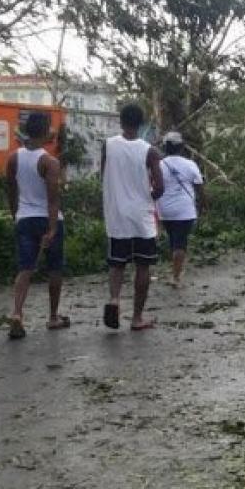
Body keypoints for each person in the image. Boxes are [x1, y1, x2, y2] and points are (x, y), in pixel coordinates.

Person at [4, 111, 68, 340]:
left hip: (24, 218)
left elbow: (11, 189)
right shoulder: (49, 162)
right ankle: (52, 316)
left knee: (25, 268)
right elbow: (53, 198)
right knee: (54, 269)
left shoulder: (13, 158)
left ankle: (17, 312)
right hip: (48, 218)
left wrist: (15, 214)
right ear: (45, 131)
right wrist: (51, 228)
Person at [101, 104, 164, 331]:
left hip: (116, 216)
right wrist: (148, 196)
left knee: (117, 264)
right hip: (141, 217)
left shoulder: (107, 146)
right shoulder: (150, 151)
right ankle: (137, 318)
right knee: (143, 266)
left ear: (121, 121)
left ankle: (115, 299)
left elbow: (104, 176)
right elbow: (160, 187)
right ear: (141, 123)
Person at [156, 131, 205, 287]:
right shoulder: (190, 164)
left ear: (165, 147)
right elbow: (200, 188)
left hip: (164, 211)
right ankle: (176, 277)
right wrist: (203, 206)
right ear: (181, 147)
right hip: (184, 211)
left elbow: (153, 186)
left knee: (173, 241)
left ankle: (175, 270)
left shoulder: (159, 165)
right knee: (180, 243)